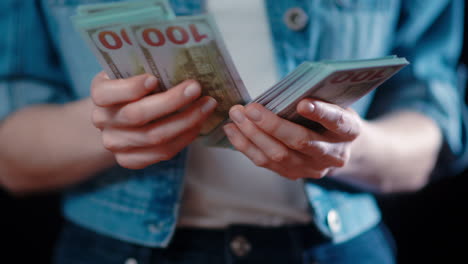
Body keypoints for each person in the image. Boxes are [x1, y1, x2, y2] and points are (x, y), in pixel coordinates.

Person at [0, 0, 466, 263]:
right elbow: (11, 160)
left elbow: (431, 118)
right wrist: (108, 126)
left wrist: (348, 148)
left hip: (338, 250)